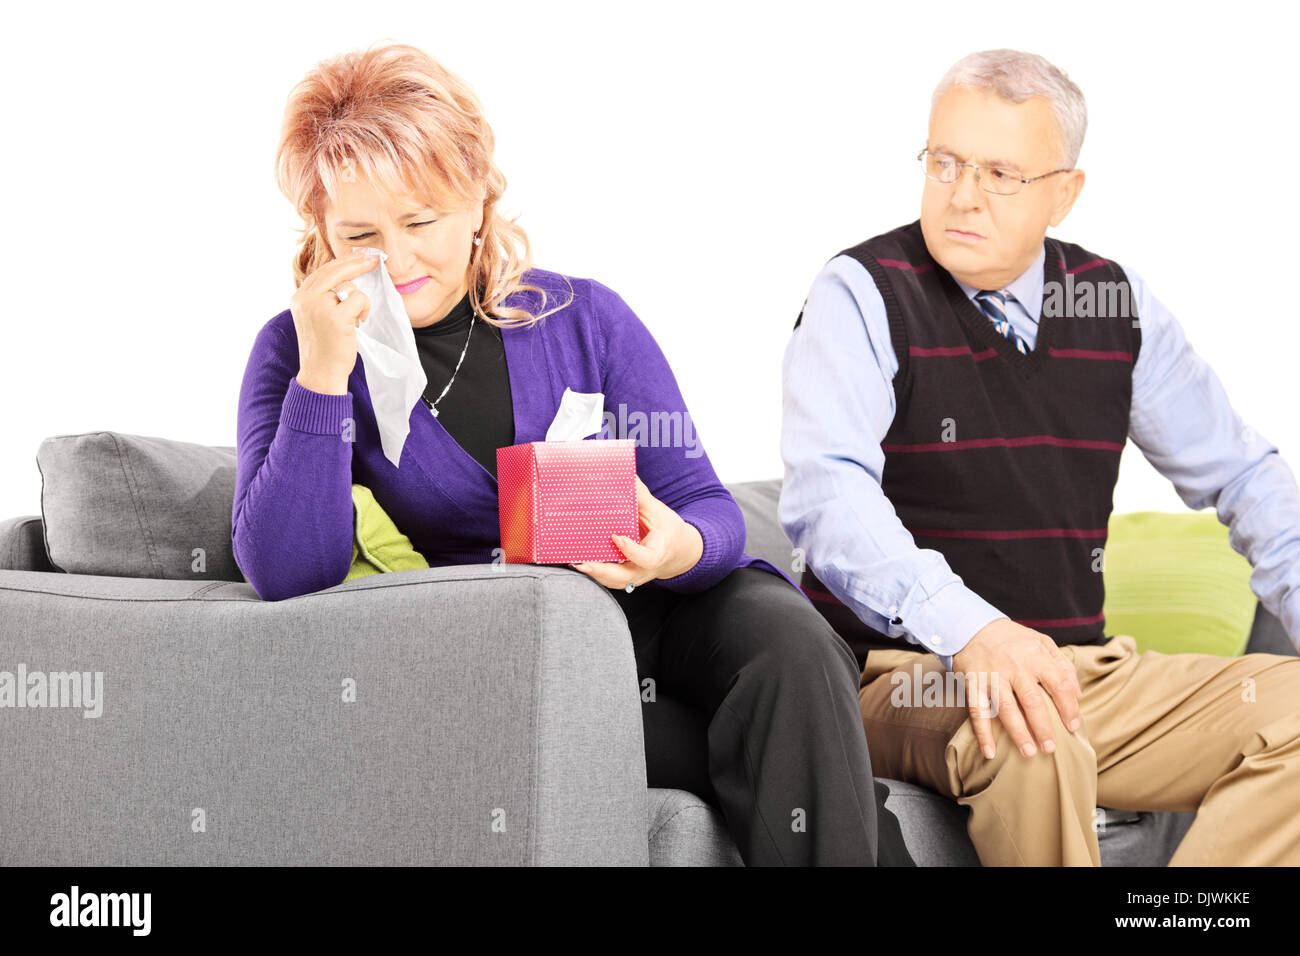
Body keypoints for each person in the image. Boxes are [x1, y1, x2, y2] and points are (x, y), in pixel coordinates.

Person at [233, 41, 909, 866]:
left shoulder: (582, 317)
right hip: (529, 654)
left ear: (478, 201)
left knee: (794, 652)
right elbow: (285, 571)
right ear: (321, 230)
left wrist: (675, 547)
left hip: (669, 608)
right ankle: (845, 797)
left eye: (421, 222)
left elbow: (707, 509)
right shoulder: (297, 351)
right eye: (360, 233)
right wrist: (324, 372)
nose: (397, 261)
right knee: (754, 739)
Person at [779, 47, 1300, 865]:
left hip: (1074, 673)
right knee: (1033, 730)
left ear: (1064, 192)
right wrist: (975, 633)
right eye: (944, 162)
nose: (961, 195)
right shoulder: (863, 292)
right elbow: (828, 500)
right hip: (903, 680)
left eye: (999, 173)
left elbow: (1242, 476)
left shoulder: (1113, 304)